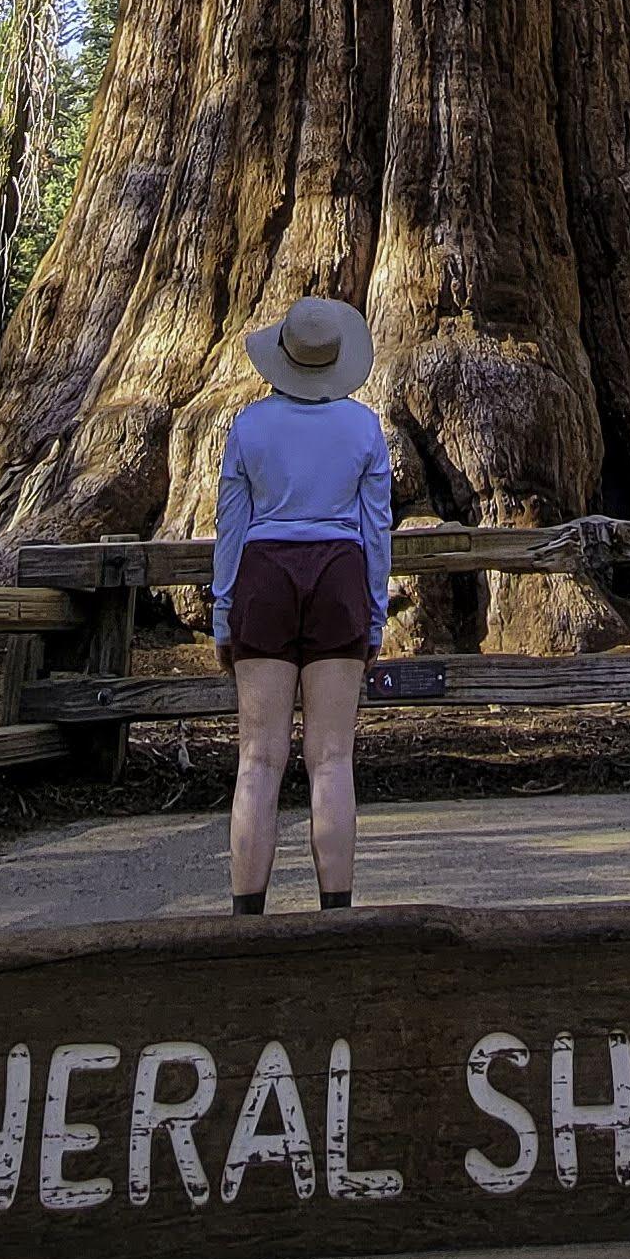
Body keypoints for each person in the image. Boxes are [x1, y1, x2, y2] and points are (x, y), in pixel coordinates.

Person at [209, 292, 393, 914]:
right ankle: (335, 914)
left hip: (264, 576)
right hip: (339, 573)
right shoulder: (364, 427)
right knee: (333, 758)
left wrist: (222, 613)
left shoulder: (249, 426)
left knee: (258, 760)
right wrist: (374, 615)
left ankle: (246, 916)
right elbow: (376, 532)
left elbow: (231, 528)